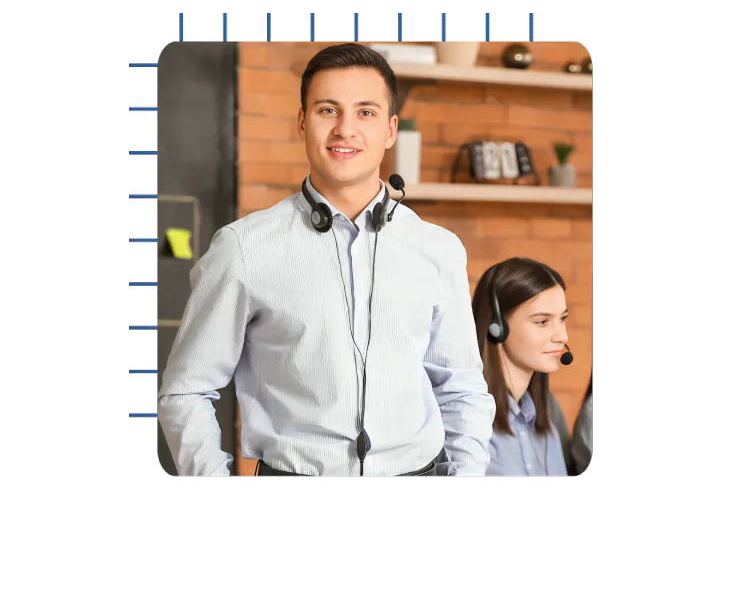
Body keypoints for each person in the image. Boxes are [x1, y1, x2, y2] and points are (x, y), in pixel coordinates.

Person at [158, 42, 496, 478]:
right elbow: (185, 391)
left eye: (366, 112)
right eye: (327, 110)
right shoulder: (242, 247)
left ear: (390, 130)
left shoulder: (438, 247)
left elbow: (463, 389)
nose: (345, 129)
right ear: (302, 122)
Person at [472, 258, 571, 477]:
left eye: (562, 318)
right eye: (542, 322)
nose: (562, 337)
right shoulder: (469, 422)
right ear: (497, 327)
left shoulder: (546, 427)